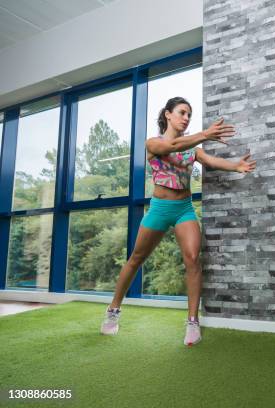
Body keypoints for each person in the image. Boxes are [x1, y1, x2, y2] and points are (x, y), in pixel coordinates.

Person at [100, 96, 256, 346]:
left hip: (184, 208)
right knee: (136, 259)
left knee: (193, 259)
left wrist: (235, 166)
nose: (186, 118)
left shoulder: (192, 147)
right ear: (168, 115)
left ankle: (192, 322)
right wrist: (204, 134)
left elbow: (211, 161)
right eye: (182, 113)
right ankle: (113, 310)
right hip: (160, 209)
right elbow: (169, 147)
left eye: (189, 115)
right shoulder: (153, 142)